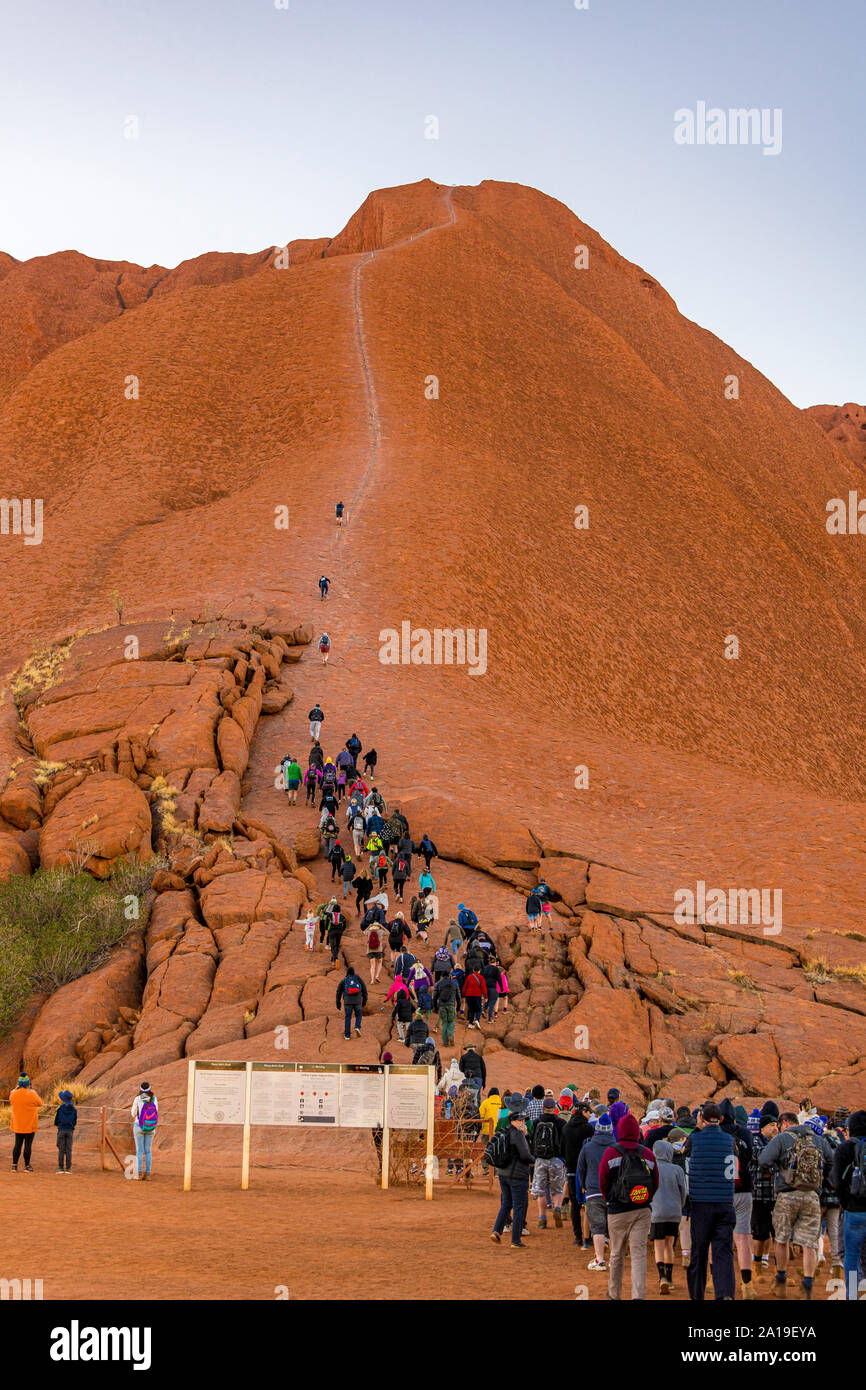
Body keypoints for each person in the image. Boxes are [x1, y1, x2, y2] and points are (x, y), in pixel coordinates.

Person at [759, 1109, 834, 1300]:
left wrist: (777, 1170)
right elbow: (832, 1161)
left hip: (787, 1194)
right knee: (809, 1243)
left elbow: (763, 1160)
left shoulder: (782, 1139)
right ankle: (807, 1286)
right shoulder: (818, 1139)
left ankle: (781, 1281)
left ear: (784, 1123)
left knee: (782, 1239)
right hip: (811, 1196)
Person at [599, 1112, 659, 1300]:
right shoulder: (647, 1154)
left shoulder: (611, 1152)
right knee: (639, 1253)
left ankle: (614, 1293)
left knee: (617, 1253)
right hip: (641, 1210)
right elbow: (655, 1182)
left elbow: (603, 1180)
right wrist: (645, 1199)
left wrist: (610, 1198)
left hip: (617, 1210)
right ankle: (638, 1295)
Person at [683, 1102, 736, 1301]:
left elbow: (684, 1152)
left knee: (699, 1251)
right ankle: (725, 1294)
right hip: (725, 1201)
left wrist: (698, 1127)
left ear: (702, 1118)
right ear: (721, 1119)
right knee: (723, 1251)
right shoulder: (729, 1140)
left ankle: (697, 1295)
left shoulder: (695, 1139)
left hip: (701, 1202)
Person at [719, 1098, 757, 1299]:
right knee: (743, 1238)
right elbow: (750, 1156)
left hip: (720, 1192)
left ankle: (717, 1281)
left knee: (719, 1238)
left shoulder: (716, 1133)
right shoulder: (745, 1133)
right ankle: (747, 1285)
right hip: (743, 1188)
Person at [831, 1108, 866, 1299]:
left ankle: (852, 1295)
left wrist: (846, 1203)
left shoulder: (845, 1147)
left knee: (851, 1256)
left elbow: (838, 1181)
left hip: (853, 1211)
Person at [490, 1103, 533, 1248]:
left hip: (503, 1174)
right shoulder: (518, 1135)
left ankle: (496, 1230)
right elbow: (525, 1155)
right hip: (517, 1175)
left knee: (506, 1204)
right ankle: (515, 1240)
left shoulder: (504, 1132)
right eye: (521, 1120)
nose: (523, 1123)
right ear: (514, 1121)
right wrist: (534, 1161)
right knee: (519, 1206)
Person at [577, 1111, 614, 1267]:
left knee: (597, 1227)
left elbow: (581, 1169)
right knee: (613, 1227)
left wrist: (584, 1187)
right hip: (613, 1192)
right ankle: (614, 1260)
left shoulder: (588, 1147)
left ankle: (600, 1259)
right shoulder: (616, 1147)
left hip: (593, 1190)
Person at [651, 1139, 687, 1294]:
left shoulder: (651, 1168)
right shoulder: (677, 1169)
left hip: (657, 1212)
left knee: (658, 1245)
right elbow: (683, 1191)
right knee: (669, 1244)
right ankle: (670, 1278)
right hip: (674, 1212)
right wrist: (680, 1205)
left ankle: (662, 1277)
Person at [531, 1096, 568, 1229]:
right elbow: (564, 1142)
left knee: (540, 1191)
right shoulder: (561, 1123)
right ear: (554, 1109)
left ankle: (542, 1218)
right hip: (556, 1160)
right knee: (557, 1189)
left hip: (540, 1160)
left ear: (543, 1108)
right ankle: (557, 1207)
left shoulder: (536, 1122)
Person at [749, 1112, 778, 1280]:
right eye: (771, 1125)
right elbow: (763, 1159)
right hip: (760, 1194)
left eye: (776, 1125)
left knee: (778, 1234)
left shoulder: (778, 1141)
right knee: (760, 1233)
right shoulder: (755, 1141)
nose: (775, 1128)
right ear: (762, 1128)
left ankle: (778, 1272)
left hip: (777, 1195)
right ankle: (757, 1267)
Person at [562, 1100, 594, 1246]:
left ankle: (578, 1237)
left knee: (575, 1203)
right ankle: (590, 1235)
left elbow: (561, 1148)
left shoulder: (566, 1127)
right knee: (588, 1203)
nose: (590, 1115)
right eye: (589, 1112)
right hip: (586, 1170)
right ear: (583, 1112)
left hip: (570, 1170)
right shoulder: (588, 1128)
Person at [9, 1073, 43, 1172]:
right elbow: (40, 1103)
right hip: (30, 1124)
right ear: (28, 1083)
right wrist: (31, 1090)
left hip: (18, 1124)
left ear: (19, 1083)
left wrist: (16, 1089)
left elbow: (11, 1099)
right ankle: (27, 1166)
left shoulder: (13, 1094)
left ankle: (14, 1166)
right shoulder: (32, 1093)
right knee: (28, 1145)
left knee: (17, 1144)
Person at [131, 1082, 159, 1182]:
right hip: (151, 1127)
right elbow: (156, 1113)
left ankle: (138, 1174)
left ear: (140, 1089)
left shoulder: (137, 1099)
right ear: (149, 1089)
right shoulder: (154, 1099)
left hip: (139, 1125)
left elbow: (133, 1113)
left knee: (139, 1150)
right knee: (148, 1150)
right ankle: (147, 1174)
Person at [336, 964, 367, 1039]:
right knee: (359, 1015)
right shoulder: (358, 978)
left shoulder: (344, 980)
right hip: (357, 1001)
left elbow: (338, 992)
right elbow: (364, 989)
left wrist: (338, 1003)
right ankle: (357, 1027)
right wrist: (364, 1001)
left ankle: (347, 1035)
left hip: (347, 1002)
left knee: (348, 1017)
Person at [432, 969, 460, 1046]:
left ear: (441, 976)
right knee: (451, 1021)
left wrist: (435, 1007)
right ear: (449, 975)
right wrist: (458, 1008)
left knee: (444, 1023)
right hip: (451, 1005)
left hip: (442, 1006)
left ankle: (445, 1043)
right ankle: (450, 1035)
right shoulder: (454, 984)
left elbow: (435, 997)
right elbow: (458, 997)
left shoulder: (439, 984)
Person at [53, 1089, 77, 1173]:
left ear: (63, 1100)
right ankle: (68, 1168)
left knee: (61, 1149)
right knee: (68, 1149)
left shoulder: (59, 1109)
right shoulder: (74, 1110)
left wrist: (59, 1125)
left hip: (61, 1130)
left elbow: (55, 1121)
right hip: (70, 1130)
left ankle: (60, 1167)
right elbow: (75, 1121)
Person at [461, 964, 487, 1029]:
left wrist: (463, 994)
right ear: (479, 971)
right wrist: (486, 996)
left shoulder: (469, 976)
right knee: (478, 1009)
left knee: (471, 1009)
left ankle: (470, 1023)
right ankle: (477, 1020)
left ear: (473, 970)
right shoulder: (481, 977)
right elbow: (484, 988)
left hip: (468, 995)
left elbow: (465, 986)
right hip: (477, 995)